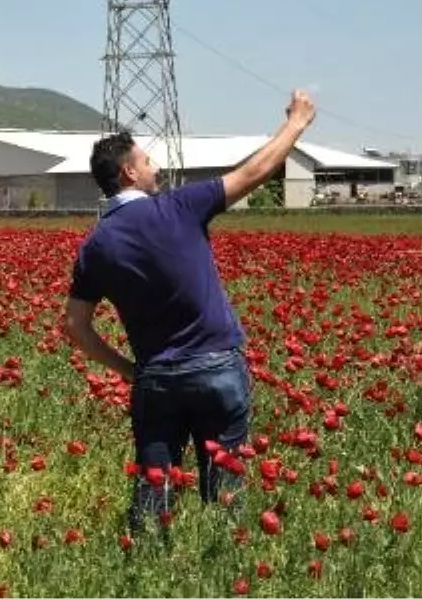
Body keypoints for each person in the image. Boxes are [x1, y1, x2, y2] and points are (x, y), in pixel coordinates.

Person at [63, 90, 318, 533]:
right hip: (216, 366)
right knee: (225, 490)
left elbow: (75, 325)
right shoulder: (180, 207)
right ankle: (219, 568)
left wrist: (128, 370)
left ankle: (145, 569)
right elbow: (255, 172)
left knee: (154, 488)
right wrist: (296, 124)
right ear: (129, 173)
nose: (155, 168)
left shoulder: (95, 246)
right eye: (147, 163)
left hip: (156, 377)